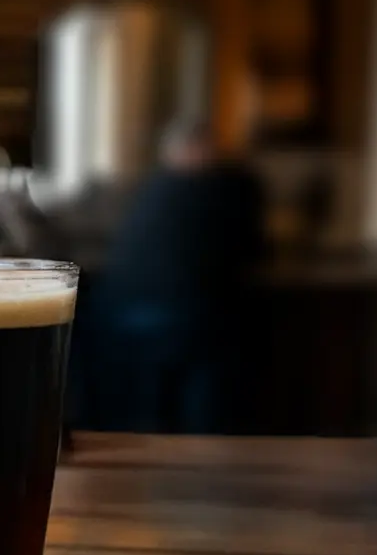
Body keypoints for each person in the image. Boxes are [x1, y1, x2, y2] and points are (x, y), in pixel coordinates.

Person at [89, 119, 266, 433]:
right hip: (192, 322)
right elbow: (253, 253)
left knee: (144, 415)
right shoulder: (233, 189)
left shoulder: (148, 190)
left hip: (125, 322)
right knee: (205, 407)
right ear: (205, 149)